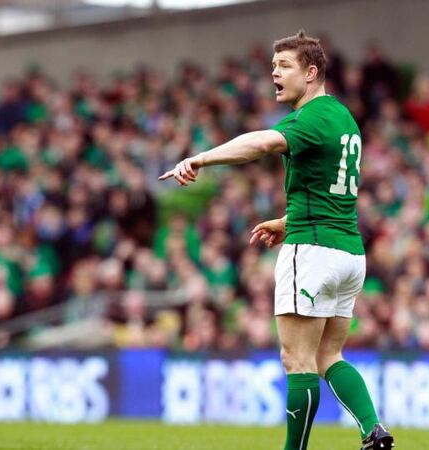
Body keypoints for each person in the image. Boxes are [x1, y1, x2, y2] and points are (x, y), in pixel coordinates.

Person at [159, 30, 394, 450]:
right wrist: (289, 220)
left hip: (314, 250)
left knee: (296, 360)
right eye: (273, 67)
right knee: (329, 356)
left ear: (312, 71)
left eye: (284, 66)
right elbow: (331, 190)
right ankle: (372, 429)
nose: (274, 74)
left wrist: (201, 157)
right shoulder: (343, 118)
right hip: (349, 252)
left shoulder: (311, 117)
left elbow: (264, 142)